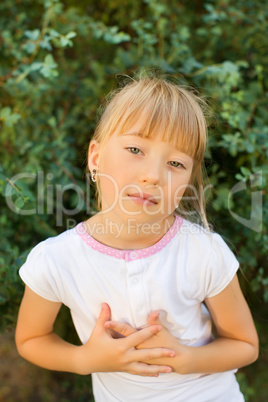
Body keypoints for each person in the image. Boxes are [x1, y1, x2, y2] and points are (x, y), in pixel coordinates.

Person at [15, 73, 259, 402]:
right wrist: (84, 359)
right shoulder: (56, 260)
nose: (153, 175)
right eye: (135, 149)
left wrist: (186, 360)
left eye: (175, 162)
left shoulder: (203, 251)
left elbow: (245, 345)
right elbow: (31, 339)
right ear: (95, 158)